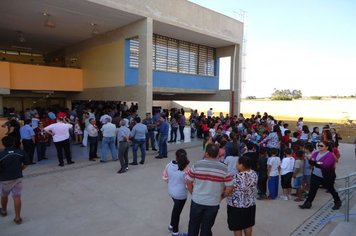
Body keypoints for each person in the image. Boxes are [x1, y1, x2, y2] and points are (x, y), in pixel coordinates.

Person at [186, 143, 233, 236]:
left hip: (197, 201)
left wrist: (193, 193)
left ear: (206, 153)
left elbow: (188, 182)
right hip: (213, 203)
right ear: (218, 154)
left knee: (193, 226)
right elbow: (230, 187)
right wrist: (221, 197)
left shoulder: (197, 164)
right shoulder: (224, 168)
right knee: (207, 228)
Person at [299, 141, 342, 210]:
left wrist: (316, 162)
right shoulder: (316, 153)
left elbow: (325, 165)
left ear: (327, 147)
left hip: (327, 176)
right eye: (318, 145)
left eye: (321, 146)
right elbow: (311, 161)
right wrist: (318, 163)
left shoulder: (330, 155)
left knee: (331, 189)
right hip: (315, 175)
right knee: (312, 190)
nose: (319, 147)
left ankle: (337, 202)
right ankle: (307, 203)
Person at [0, 136, 29, 224]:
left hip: (4, 179)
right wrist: (21, 169)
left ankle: (4, 211)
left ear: (3, 144)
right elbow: (26, 163)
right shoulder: (20, 152)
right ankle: (17, 217)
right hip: (18, 178)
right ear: (13, 143)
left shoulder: (1, 155)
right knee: (17, 197)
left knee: (4, 195)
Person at [226, 155, 258, 236]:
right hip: (250, 204)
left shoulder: (236, 177)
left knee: (237, 227)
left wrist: (222, 196)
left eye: (238, 163)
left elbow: (229, 190)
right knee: (248, 224)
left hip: (236, 206)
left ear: (242, 165)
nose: (236, 165)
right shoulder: (254, 174)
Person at [162, 149, 190, 236]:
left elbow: (165, 177)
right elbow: (188, 184)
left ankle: (171, 225)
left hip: (171, 192)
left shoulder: (169, 165)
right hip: (181, 195)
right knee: (177, 212)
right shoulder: (187, 170)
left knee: (176, 209)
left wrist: (171, 183)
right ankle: (175, 232)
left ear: (176, 156)